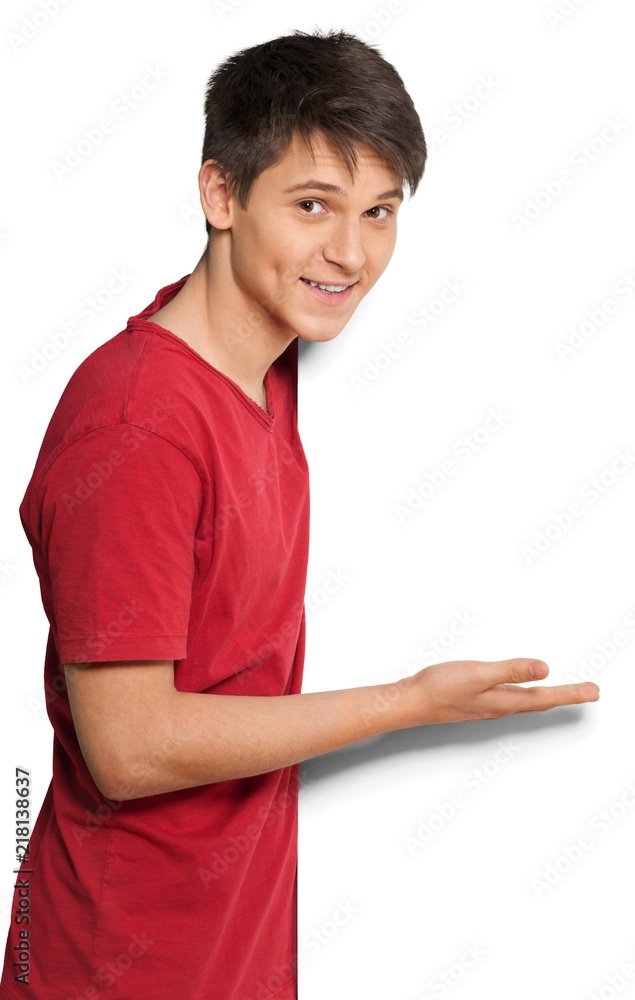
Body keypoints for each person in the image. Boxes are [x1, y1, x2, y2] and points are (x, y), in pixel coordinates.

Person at [0, 27, 599, 1000]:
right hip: (116, 969)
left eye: (378, 211)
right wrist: (410, 704)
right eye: (313, 205)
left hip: (229, 953)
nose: (350, 253)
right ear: (219, 195)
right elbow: (128, 745)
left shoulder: (262, 364)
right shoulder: (135, 431)